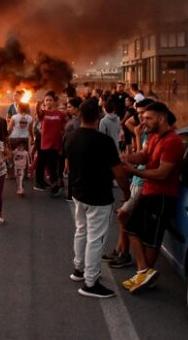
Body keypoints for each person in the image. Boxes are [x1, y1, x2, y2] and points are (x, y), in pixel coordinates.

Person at [65, 99, 130, 299]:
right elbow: (119, 172)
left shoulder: (70, 137)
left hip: (78, 193)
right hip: (99, 197)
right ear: (98, 117)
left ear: (80, 115)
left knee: (81, 231)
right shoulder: (104, 142)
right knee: (96, 239)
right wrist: (127, 193)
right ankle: (90, 282)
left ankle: (79, 269)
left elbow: (67, 166)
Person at [121, 102, 185, 293]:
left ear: (161, 118)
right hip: (148, 192)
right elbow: (144, 156)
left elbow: (163, 173)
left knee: (151, 240)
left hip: (162, 196)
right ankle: (144, 271)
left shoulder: (172, 141)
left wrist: (134, 172)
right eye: (143, 117)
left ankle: (144, 276)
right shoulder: (154, 136)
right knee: (131, 227)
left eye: (148, 118)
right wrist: (125, 158)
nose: (143, 121)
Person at [103, 98, 154, 269]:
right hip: (136, 178)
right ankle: (119, 250)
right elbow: (140, 154)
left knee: (123, 215)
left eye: (145, 115)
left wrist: (133, 165)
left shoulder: (154, 135)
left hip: (142, 180)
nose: (141, 119)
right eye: (139, 114)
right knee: (124, 216)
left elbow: (145, 159)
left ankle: (127, 255)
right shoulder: (145, 130)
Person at [35, 92, 67, 196]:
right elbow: (38, 112)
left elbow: (64, 127)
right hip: (45, 144)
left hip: (56, 143)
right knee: (47, 165)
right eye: (46, 100)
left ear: (54, 102)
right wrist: (38, 104)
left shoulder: (60, 114)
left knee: (53, 166)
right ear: (44, 102)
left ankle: (56, 185)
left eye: (50, 100)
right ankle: (54, 185)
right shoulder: (43, 113)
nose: (48, 102)